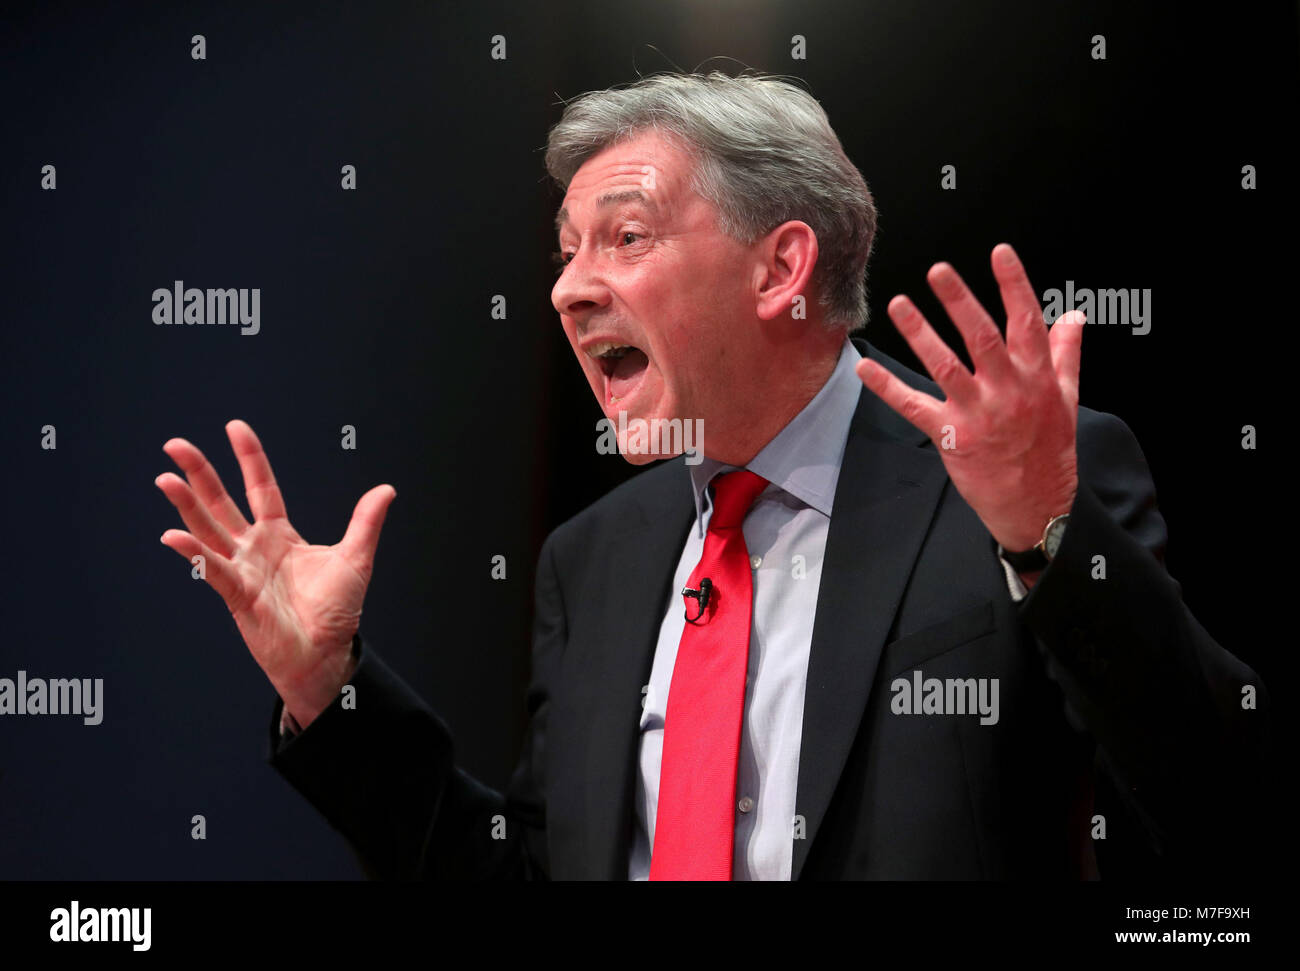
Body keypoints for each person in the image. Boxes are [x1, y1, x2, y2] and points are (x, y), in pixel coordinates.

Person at [155, 72, 1269, 880]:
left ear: (780, 266)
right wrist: (328, 694)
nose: (568, 290)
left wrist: (1046, 537)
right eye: (564, 251)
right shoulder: (591, 560)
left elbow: (1220, 814)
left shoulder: (1006, 486)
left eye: (623, 238)